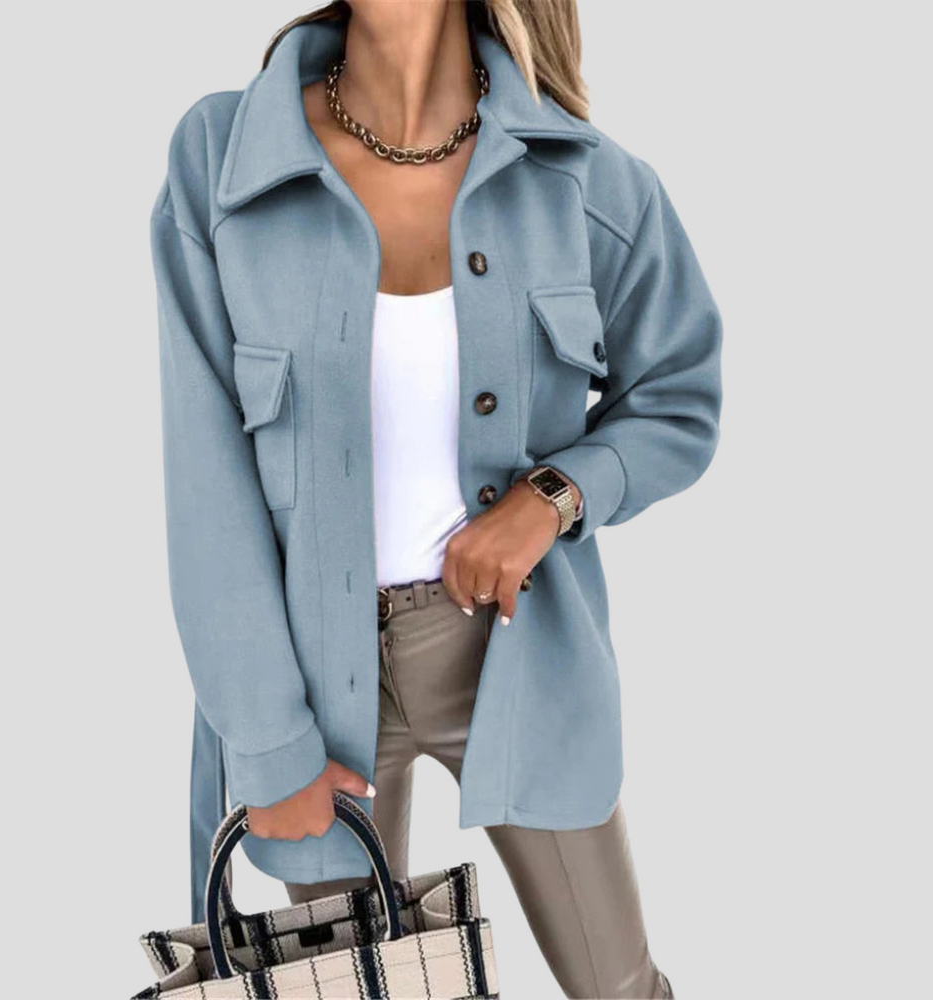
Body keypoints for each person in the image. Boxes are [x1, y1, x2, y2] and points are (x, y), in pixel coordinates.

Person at [150, 1, 722, 995]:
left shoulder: (583, 179)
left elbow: (679, 396)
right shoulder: (227, 158)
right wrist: (268, 741)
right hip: (308, 685)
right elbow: (204, 480)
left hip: (512, 652)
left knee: (619, 985)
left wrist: (552, 498)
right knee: (355, 987)